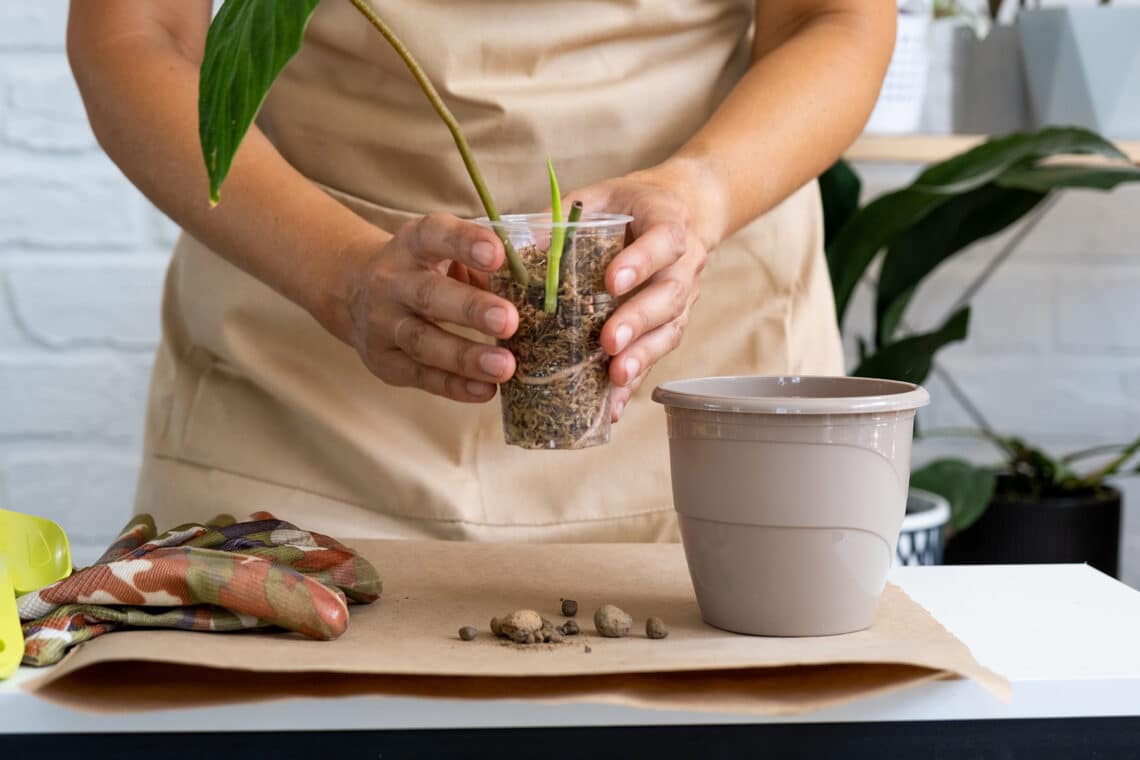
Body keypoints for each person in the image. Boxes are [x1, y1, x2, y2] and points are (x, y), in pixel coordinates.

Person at [67, 1, 896, 541]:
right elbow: (132, 34)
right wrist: (341, 275)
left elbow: (838, 19)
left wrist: (701, 193)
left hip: (705, 372)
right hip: (300, 386)